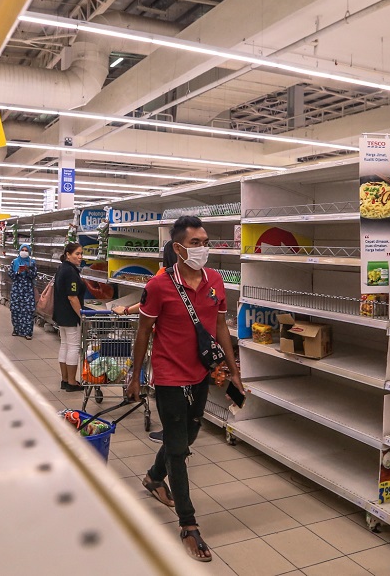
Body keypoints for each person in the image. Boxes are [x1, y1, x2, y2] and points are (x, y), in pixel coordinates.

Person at [125, 216, 243, 563]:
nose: (203, 248)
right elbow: (144, 332)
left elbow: (220, 326)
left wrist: (234, 371)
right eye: (195, 243)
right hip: (167, 375)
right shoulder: (158, 285)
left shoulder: (216, 280)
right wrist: (135, 375)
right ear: (178, 248)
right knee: (178, 447)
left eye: (205, 241)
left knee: (188, 436)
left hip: (201, 372)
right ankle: (188, 525)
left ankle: (153, 478)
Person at [113, 239, 179, 444]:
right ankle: (180, 429)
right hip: (181, 339)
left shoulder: (163, 276)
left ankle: (171, 431)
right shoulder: (191, 277)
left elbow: (145, 304)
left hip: (165, 338)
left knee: (166, 385)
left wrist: (125, 310)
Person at [53, 242, 86, 392]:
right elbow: (72, 297)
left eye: (81, 254)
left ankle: (65, 380)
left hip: (60, 313)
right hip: (70, 315)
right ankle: (72, 382)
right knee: (73, 347)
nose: (80, 257)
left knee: (65, 345)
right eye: (77, 254)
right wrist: (81, 315)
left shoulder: (62, 268)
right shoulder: (71, 272)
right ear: (68, 254)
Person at [8, 244, 37, 339]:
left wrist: (28, 270)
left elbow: (34, 275)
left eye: (26, 250)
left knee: (28, 310)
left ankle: (28, 332)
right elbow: (10, 274)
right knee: (16, 309)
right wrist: (18, 272)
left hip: (28, 289)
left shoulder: (32, 262)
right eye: (22, 250)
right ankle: (16, 329)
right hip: (17, 289)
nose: (24, 252)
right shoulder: (14, 262)